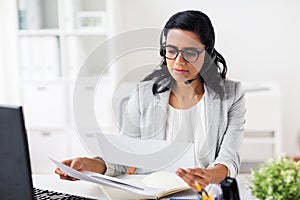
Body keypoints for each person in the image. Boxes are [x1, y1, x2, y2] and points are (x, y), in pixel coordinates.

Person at [55, 10, 246, 191]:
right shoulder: (143, 94)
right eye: (171, 51)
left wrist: (208, 175)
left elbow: (229, 160)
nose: (179, 61)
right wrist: (90, 165)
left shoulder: (231, 96)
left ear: (207, 53)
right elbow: (124, 157)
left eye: (190, 53)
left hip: (204, 192)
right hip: (154, 192)